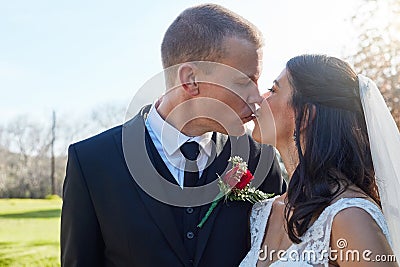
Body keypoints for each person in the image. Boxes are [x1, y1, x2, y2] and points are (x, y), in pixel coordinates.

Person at [61, 4, 285, 267]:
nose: (257, 98)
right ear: (190, 79)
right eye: (243, 82)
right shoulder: (92, 162)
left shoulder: (262, 159)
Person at [240, 54, 399, 266]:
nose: (261, 98)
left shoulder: (349, 216)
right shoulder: (263, 213)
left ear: (304, 116)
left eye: (274, 90)